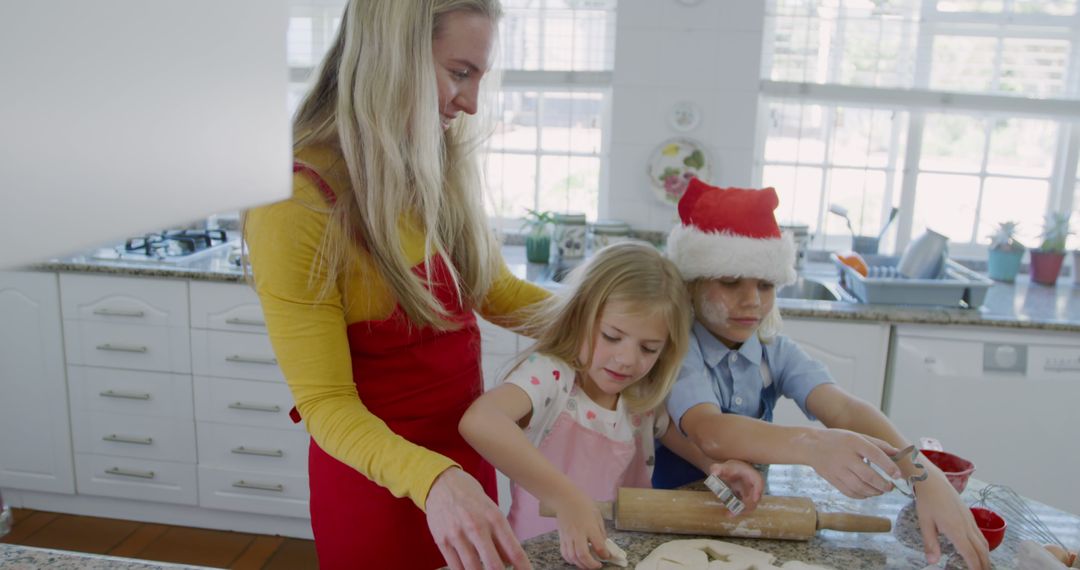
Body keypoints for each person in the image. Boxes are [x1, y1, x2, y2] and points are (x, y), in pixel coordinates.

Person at [243, 1, 549, 568]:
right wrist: (435, 482)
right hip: (382, 491)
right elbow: (327, 405)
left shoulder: (428, 160)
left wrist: (615, 317)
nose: (472, 103)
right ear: (393, 56)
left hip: (465, 465)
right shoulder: (296, 202)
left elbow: (495, 292)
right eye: (460, 73)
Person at [653, 178, 991, 570]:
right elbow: (710, 431)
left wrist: (921, 471)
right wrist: (813, 445)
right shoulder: (679, 348)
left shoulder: (772, 350)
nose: (752, 300)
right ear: (691, 285)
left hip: (747, 510)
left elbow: (844, 410)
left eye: (765, 284)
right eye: (730, 283)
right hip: (670, 512)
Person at [460, 242, 765, 570]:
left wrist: (717, 470)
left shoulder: (641, 396)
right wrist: (566, 498)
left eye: (648, 348)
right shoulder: (553, 377)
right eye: (612, 336)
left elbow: (684, 441)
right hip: (541, 558)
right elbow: (480, 421)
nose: (627, 360)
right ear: (581, 315)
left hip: (621, 557)